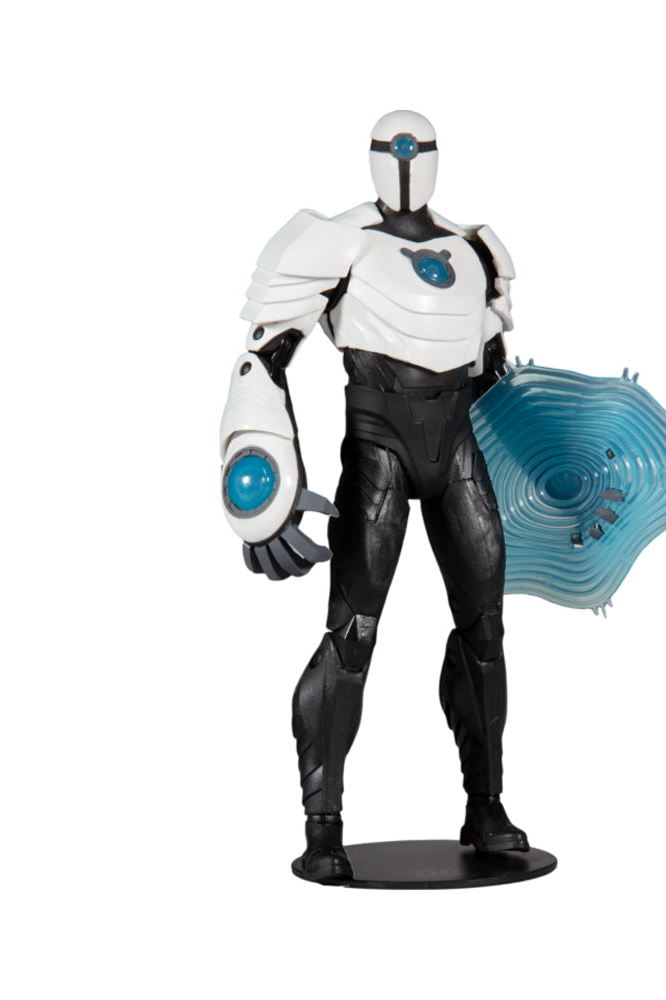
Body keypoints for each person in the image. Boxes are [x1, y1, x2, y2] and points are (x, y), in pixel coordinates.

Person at [219, 111, 528, 882]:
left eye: (418, 150)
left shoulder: (474, 248)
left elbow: (497, 376)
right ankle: (323, 826)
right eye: (395, 150)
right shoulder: (337, 241)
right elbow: (261, 356)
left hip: (458, 447)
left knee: (486, 631)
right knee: (351, 634)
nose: (406, 161)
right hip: (379, 447)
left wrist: (562, 474)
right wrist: (261, 485)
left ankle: (486, 807)